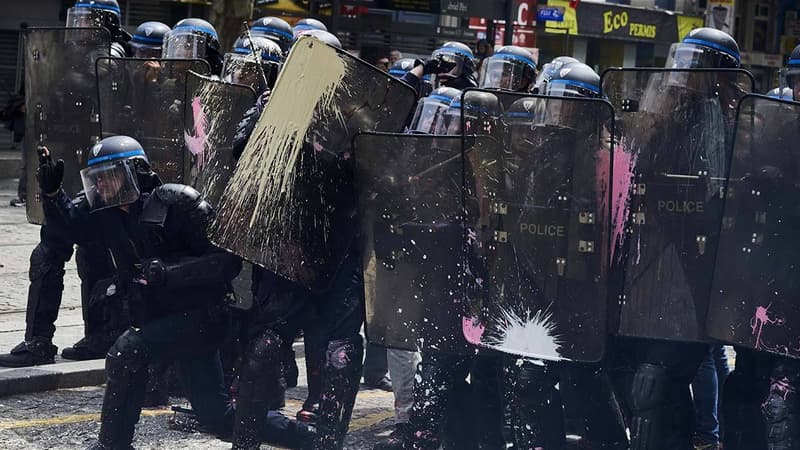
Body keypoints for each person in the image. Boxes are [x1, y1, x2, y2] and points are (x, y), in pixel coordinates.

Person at [0, 0, 130, 367]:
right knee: (53, 252)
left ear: (106, 24)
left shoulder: (111, 58)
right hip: (70, 171)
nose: (80, 29)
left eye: (88, 22)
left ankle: (94, 335)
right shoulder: (70, 58)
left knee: (94, 254)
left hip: (102, 174)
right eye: (77, 20)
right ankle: (42, 339)